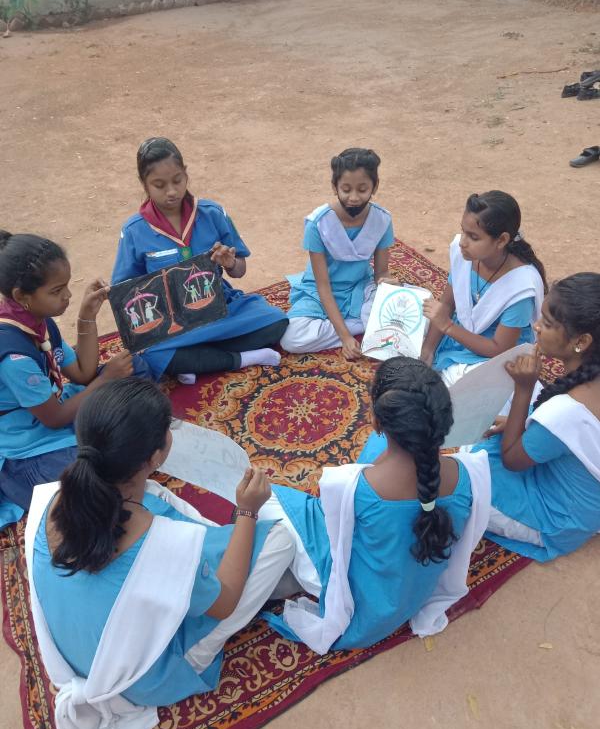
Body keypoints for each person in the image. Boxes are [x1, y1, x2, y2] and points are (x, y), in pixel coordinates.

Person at [26, 377, 294, 729]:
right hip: (144, 678)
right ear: (154, 457)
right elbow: (225, 602)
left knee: (153, 495)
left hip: (82, 655)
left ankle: (216, 550)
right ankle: (235, 555)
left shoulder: (51, 499)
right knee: (281, 540)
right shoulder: (162, 546)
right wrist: (247, 510)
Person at [260, 357, 490, 652]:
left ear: (376, 420)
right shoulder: (471, 473)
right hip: (410, 594)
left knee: (267, 495)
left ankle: (279, 572)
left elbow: (337, 540)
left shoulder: (350, 486)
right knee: (377, 448)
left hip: (365, 601)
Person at [112, 137, 288, 384]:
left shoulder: (212, 213)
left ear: (186, 174)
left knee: (276, 322)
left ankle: (197, 359)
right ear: (144, 184)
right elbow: (124, 291)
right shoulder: (134, 231)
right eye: (159, 185)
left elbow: (239, 270)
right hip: (171, 324)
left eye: (177, 180)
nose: (171, 191)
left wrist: (230, 263)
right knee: (150, 353)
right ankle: (241, 359)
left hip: (219, 310)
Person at [0, 231, 134, 523]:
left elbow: (83, 373)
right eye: (57, 291)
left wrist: (87, 315)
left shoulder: (39, 321)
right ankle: (14, 482)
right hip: (24, 447)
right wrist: (106, 380)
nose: (68, 296)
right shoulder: (13, 357)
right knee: (89, 489)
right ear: (22, 296)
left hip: (56, 408)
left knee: (138, 369)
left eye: (67, 286)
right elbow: (55, 418)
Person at [475, 273, 600, 561]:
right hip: (583, 498)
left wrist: (524, 388)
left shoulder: (566, 412)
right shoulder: (581, 393)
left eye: (548, 323)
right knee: (498, 432)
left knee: (463, 479)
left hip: (559, 521)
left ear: (582, 341)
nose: (536, 326)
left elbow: (512, 460)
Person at [420, 191, 547, 386]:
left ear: (501, 240)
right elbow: (447, 304)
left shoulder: (521, 289)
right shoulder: (465, 256)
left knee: (464, 383)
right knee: (406, 320)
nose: (462, 242)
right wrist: (427, 351)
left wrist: (448, 326)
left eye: (473, 237)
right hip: (458, 333)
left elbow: (499, 349)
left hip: (491, 354)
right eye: (463, 231)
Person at [280, 148, 394, 360]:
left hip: (360, 287)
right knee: (291, 338)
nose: (354, 198)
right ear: (334, 187)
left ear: (375, 187)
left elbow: (381, 272)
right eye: (346, 189)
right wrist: (345, 337)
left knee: (411, 312)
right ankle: (361, 327)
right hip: (319, 291)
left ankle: (349, 326)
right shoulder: (318, 224)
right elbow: (323, 286)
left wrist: (386, 282)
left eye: (362, 189)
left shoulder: (382, 220)